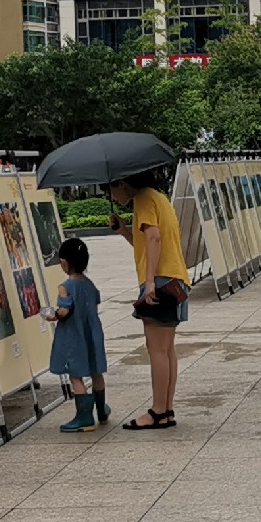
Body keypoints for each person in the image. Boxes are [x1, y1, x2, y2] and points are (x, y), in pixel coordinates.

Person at [108, 171, 190, 429]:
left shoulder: (143, 199)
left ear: (122, 182)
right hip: (174, 279)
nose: (112, 196)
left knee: (156, 350)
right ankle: (166, 410)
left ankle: (157, 411)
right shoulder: (158, 198)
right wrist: (124, 230)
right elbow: (147, 244)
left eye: (110, 189)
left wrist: (150, 281)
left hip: (161, 281)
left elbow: (154, 237)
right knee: (166, 349)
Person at [48, 237, 110, 432]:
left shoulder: (65, 287)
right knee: (96, 371)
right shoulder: (89, 284)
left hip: (74, 335)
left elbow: (64, 311)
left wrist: (54, 315)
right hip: (93, 334)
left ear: (65, 263)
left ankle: (84, 417)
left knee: (76, 375)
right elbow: (94, 301)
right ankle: (101, 410)